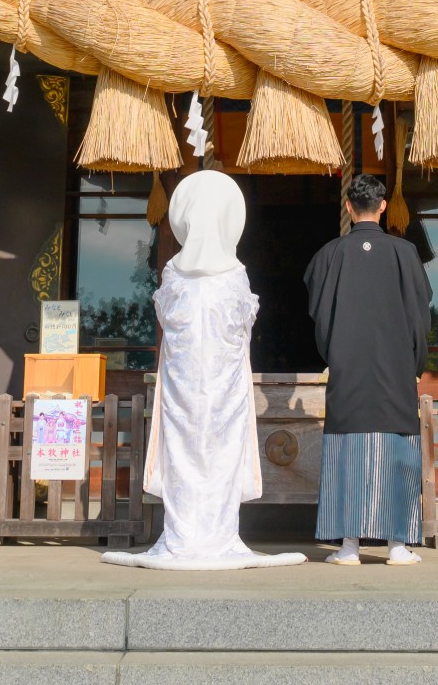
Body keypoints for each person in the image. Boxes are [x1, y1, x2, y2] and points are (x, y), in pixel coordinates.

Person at [102, 170, 304, 571]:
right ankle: (217, 534)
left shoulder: (174, 273)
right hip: (224, 383)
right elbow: (244, 324)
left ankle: (183, 534)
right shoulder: (234, 274)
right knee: (221, 452)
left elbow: (166, 316)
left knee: (182, 452)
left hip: (182, 382)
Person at [304, 172, 432, 566]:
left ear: (348, 208)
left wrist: (334, 355)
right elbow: (420, 313)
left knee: (347, 453)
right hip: (394, 370)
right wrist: (415, 362)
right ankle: (397, 546)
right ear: (381, 207)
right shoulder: (405, 253)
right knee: (398, 452)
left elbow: (319, 316)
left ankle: (348, 547)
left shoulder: (329, 255)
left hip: (348, 370)